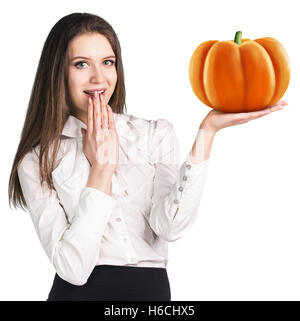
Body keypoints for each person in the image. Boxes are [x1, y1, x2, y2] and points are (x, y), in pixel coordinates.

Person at [8, 12, 287, 301]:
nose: (99, 77)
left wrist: (207, 131)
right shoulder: (37, 159)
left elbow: (169, 227)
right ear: (58, 73)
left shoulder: (154, 135)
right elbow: (73, 268)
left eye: (108, 62)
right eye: (81, 64)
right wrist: (101, 171)